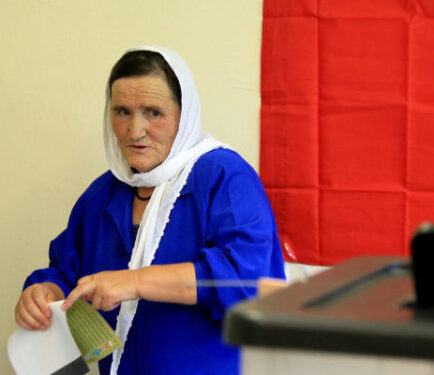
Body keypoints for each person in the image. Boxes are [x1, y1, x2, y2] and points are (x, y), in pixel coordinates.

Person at [14, 46, 285, 375]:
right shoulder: (104, 193)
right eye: (122, 112)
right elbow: (67, 270)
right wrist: (44, 293)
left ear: (183, 114)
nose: (134, 130)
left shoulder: (224, 176)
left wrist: (136, 282)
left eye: (153, 112)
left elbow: (249, 283)